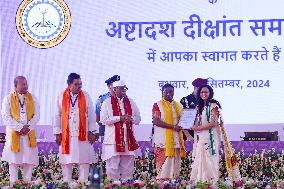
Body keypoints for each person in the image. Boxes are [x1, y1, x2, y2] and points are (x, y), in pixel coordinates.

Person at [190, 84, 241, 184]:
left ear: (210, 93)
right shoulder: (199, 106)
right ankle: (202, 180)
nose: (203, 94)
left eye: (206, 92)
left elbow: (213, 123)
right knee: (201, 157)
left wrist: (197, 128)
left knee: (211, 157)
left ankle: (213, 181)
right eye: (201, 92)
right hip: (202, 135)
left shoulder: (213, 105)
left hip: (211, 136)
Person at [53, 73, 97, 183]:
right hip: (66, 134)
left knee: (83, 161)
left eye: (80, 84)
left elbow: (91, 115)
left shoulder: (86, 95)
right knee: (66, 161)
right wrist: (57, 133)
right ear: (69, 84)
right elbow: (57, 115)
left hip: (82, 134)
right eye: (76, 84)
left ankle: (83, 183)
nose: (79, 86)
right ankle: (67, 183)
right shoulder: (60, 96)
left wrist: (92, 132)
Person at [100, 80, 141, 182]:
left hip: (128, 140)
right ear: (115, 90)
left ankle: (127, 186)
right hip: (113, 141)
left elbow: (138, 119)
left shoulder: (131, 102)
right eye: (121, 88)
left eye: (125, 88)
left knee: (128, 169)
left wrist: (130, 118)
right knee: (112, 168)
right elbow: (103, 120)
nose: (124, 90)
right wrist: (119, 118)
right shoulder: (107, 102)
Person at [1, 76, 40, 183]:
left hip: (28, 133)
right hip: (14, 133)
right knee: (13, 161)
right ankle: (14, 184)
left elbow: (37, 115)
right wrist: (19, 128)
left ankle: (27, 182)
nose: (26, 86)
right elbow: (5, 116)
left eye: (26, 84)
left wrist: (28, 127)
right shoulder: (8, 98)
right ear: (15, 86)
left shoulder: (33, 98)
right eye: (23, 84)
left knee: (29, 160)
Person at [152, 83, 186, 180]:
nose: (168, 94)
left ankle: (174, 184)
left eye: (170, 92)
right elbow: (156, 121)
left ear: (174, 92)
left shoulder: (178, 105)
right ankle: (162, 185)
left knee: (175, 168)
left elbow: (183, 121)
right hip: (163, 142)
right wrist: (173, 127)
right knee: (164, 169)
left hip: (176, 141)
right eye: (165, 92)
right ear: (162, 93)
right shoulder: (157, 105)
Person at [95, 75, 120, 142]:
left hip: (121, 131)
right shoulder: (101, 100)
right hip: (106, 132)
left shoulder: (124, 98)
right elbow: (97, 118)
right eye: (115, 85)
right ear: (109, 86)